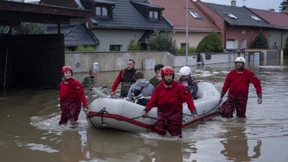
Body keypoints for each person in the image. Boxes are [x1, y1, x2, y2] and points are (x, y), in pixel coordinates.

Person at [142, 66, 197, 138]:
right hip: (162, 114)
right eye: (166, 76)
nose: (168, 78)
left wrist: (193, 112)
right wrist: (146, 110)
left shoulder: (179, 87)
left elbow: (189, 99)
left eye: (170, 75)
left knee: (176, 135)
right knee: (157, 132)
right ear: (163, 76)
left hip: (175, 115)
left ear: (173, 76)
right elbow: (153, 100)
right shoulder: (159, 87)